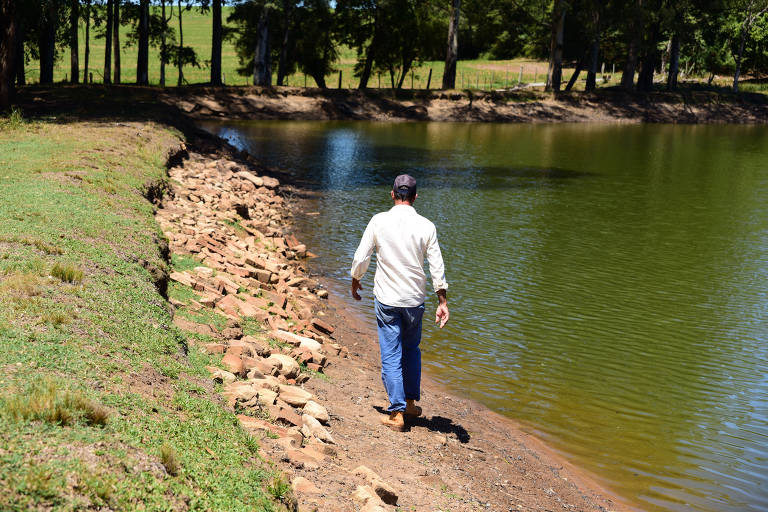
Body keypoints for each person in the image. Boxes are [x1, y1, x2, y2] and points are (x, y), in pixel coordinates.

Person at [350, 174, 450, 432]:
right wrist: (442, 300)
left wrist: (355, 279)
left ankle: (396, 413)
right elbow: (436, 265)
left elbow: (362, 256)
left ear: (392, 194)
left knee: (392, 354)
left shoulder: (378, 221)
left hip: (388, 300)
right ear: (416, 197)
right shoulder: (427, 226)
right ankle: (409, 403)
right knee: (411, 350)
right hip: (414, 301)